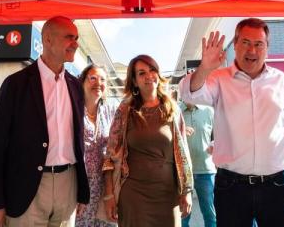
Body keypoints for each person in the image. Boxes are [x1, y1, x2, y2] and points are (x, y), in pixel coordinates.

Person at [178, 18, 284, 227]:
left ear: (267, 48)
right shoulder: (219, 78)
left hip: (276, 184)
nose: (252, 50)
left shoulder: (280, 81)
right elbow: (189, 94)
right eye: (246, 42)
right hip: (231, 187)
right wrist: (204, 68)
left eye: (259, 44)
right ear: (236, 44)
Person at [0, 16, 90, 227]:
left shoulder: (76, 86)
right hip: (25, 188)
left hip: (68, 185)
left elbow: (78, 142)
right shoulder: (16, 84)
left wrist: (81, 191)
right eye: (69, 37)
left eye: (76, 38)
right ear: (48, 39)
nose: (76, 44)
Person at [103, 54, 193, 227]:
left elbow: (184, 154)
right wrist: (109, 195)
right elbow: (110, 156)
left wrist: (187, 190)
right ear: (134, 81)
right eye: (141, 73)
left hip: (168, 196)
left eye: (152, 70)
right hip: (133, 197)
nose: (149, 76)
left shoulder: (173, 110)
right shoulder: (125, 111)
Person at [76, 64, 117, 227]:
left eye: (102, 79)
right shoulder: (74, 110)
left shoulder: (110, 110)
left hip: (103, 185)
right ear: (82, 82)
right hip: (78, 185)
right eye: (93, 78)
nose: (98, 83)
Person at [179, 101, 216, 227]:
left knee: (210, 215)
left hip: (206, 171)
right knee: (182, 216)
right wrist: (180, 131)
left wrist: (214, 145)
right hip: (182, 173)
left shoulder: (209, 111)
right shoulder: (176, 111)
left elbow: (219, 137)